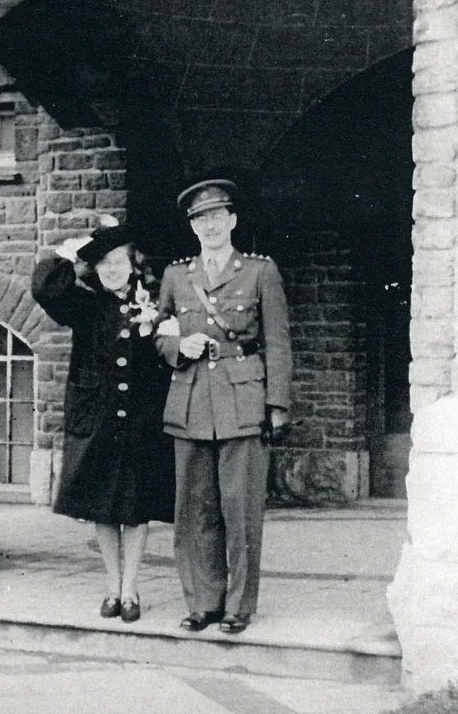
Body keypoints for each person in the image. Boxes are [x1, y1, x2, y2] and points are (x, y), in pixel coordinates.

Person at [154, 178, 292, 634]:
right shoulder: (177, 275)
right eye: (200, 219)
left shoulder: (259, 271)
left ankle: (238, 605)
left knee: (241, 510)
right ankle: (203, 602)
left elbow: (277, 342)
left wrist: (277, 405)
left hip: (241, 399)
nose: (209, 226)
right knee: (195, 510)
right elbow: (157, 332)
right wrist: (178, 344)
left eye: (216, 217)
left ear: (232, 221)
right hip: (191, 401)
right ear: (192, 227)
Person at [31, 218, 175, 624]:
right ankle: (111, 588)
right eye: (103, 264)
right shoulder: (86, 304)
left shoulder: (154, 302)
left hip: (143, 420)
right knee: (103, 508)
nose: (112, 269)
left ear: (132, 264)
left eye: (118, 261)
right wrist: (71, 256)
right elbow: (45, 287)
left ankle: (131, 590)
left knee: (136, 505)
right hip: (97, 419)